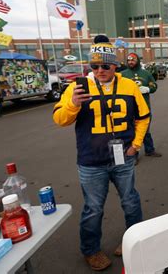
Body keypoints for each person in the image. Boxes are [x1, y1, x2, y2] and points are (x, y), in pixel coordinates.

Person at [53, 35, 150, 271]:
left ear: (115, 65)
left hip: (123, 157)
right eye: (94, 66)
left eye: (105, 65)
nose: (99, 70)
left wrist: (136, 145)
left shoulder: (128, 85)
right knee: (93, 208)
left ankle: (133, 241)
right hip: (91, 161)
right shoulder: (78, 88)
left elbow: (143, 117)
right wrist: (73, 104)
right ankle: (90, 249)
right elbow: (59, 120)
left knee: (130, 201)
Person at [121, 52, 162, 158]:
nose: (130, 62)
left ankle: (149, 150)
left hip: (144, 108)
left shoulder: (146, 73)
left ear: (137, 61)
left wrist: (148, 89)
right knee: (133, 132)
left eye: (133, 60)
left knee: (146, 131)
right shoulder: (123, 74)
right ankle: (134, 155)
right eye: (129, 60)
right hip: (129, 109)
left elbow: (154, 85)